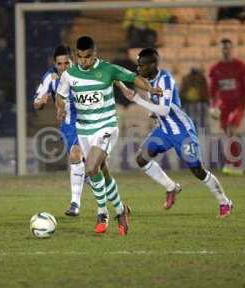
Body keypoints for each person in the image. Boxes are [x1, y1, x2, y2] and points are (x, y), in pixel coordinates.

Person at [56, 36, 162, 235]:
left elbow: (133, 77)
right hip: (84, 129)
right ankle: (121, 210)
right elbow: (60, 96)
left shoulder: (108, 69)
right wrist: (60, 108)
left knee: (91, 166)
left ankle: (102, 213)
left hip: (106, 127)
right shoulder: (69, 75)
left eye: (87, 57)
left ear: (94, 54)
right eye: (79, 57)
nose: (83, 61)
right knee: (101, 173)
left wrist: (150, 88)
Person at [122, 48, 233, 218]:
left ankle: (225, 202)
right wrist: (153, 113)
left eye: (142, 65)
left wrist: (137, 99)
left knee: (198, 171)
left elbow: (165, 110)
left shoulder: (165, 80)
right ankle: (171, 187)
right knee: (141, 158)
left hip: (181, 131)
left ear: (152, 65)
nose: (139, 69)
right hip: (164, 131)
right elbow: (163, 106)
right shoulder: (148, 82)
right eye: (138, 65)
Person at [33, 45, 86, 217]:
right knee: (76, 156)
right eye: (59, 64)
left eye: (66, 63)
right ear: (54, 64)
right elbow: (37, 102)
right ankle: (75, 204)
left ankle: (117, 203)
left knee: (95, 170)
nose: (63, 67)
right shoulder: (50, 77)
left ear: (73, 62)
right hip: (70, 125)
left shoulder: (84, 72)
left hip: (91, 122)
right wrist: (42, 100)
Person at [209, 38, 245, 175]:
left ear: (232, 49)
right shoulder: (215, 69)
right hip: (223, 107)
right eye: (223, 48)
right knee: (228, 134)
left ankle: (236, 165)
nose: (225, 50)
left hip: (238, 105)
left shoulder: (240, 66)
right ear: (220, 49)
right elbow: (212, 91)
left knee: (231, 129)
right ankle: (231, 164)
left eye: (228, 47)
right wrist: (213, 107)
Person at [179, 67, 209, 132]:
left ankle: (200, 132)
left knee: (200, 121)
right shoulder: (186, 79)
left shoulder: (201, 78)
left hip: (198, 103)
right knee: (192, 120)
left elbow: (205, 91)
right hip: (189, 103)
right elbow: (182, 91)